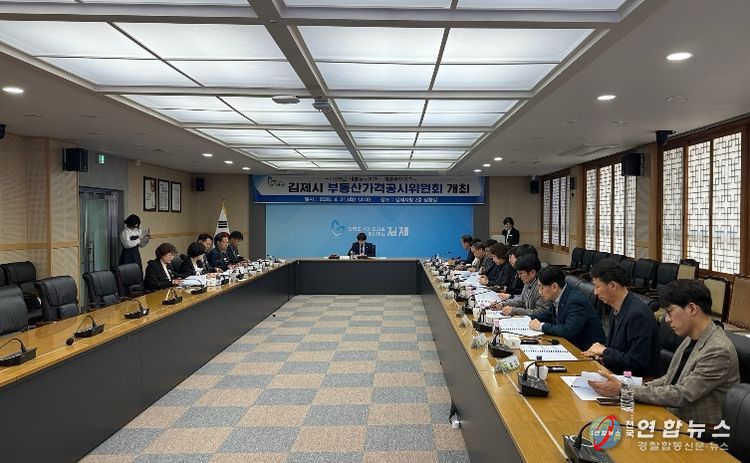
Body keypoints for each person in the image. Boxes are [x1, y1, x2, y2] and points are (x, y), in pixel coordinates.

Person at [589, 279, 740, 424]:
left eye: (670, 312)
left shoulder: (717, 350)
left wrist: (624, 389)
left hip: (696, 428)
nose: (667, 319)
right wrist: (625, 386)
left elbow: (683, 394)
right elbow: (669, 379)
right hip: (671, 414)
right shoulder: (691, 337)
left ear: (692, 309)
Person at [581, 259, 661, 377]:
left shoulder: (637, 315)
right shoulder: (616, 308)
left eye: (598, 287)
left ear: (612, 285)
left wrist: (604, 351)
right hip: (618, 374)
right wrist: (600, 356)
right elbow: (618, 351)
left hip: (639, 382)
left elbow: (636, 362)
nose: (595, 292)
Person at [529, 265, 606, 350]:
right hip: (570, 344)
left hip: (588, 351)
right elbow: (547, 315)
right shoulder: (558, 296)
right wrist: (527, 318)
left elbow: (568, 330)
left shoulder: (575, 301)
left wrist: (542, 326)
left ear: (554, 287)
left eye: (542, 288)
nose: (540, 292)